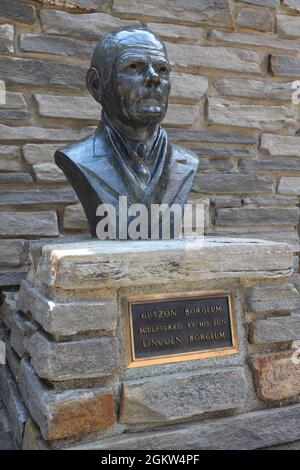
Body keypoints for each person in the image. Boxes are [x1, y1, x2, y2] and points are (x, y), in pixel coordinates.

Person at [55, 26, 199, 238]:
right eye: (133, 67)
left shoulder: (187, 162)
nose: (154, 78)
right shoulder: (79, 159)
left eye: (162, 69)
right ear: (96, 85)